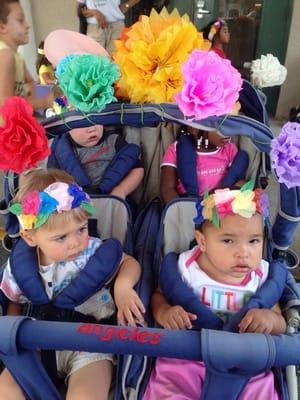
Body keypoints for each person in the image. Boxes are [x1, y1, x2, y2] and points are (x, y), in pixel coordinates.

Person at [0, 168, 145, 400]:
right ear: (29, 237)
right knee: (5, 391)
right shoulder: (20, 267)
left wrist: (123, 287)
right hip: (36, 343)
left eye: (82, 229)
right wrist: (13, 338)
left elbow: (129, 263)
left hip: (89, 344)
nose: (76, 243)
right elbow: (13, 304)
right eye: (61, 237)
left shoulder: (93, 251)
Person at [144, 184, 286, 399]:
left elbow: (279, 320)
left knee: (261, 389)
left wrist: (270, 320)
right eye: (228, 241)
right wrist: (164, 312)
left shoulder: (261, 276)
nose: (243, 253)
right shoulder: (185, 268)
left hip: (245, 361)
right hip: (187, 356)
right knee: (170, 386)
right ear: (202, 241)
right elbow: (159, 295)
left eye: (254, 241)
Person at [47, 124, 144, 200]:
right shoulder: (61, 150)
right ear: (67, 127)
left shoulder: (114, 140)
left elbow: (137, 169)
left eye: (95, 121)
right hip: (76, 203)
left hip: (112, 199)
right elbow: (52, 179)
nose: (92, 129)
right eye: (82, 124)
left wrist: (122, 190)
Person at [160, 126, 248, 204]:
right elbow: (167, 188)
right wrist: (180, 211)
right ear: (194, 129)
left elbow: (239, 182)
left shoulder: (229, 149)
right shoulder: (176, 150)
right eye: (219, 126)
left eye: (228, 125)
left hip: (219, 206)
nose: (227, 131)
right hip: (188, 205)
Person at [0, 0, 53, 108]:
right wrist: (44, 102)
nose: (27, 25)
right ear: (2, 27)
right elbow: (4, 104)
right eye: (20, 20)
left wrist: (28, 90)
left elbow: (30, 83)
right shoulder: (5, 55)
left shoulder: (17, 57)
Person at [77, 0, 141, 54]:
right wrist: (94, 12)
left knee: (116, 61)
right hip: (95, 28)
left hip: (116, 27)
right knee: (95, 60)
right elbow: (80, 11)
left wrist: (126, 5)